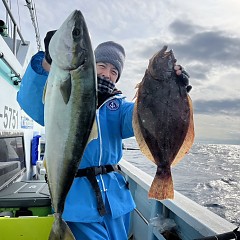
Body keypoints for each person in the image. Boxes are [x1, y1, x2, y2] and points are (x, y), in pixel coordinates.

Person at [17, 30, 191, 240]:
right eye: (102, 66)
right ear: (90, 65)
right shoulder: (66, 98)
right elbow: (31, 101)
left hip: (117, 201)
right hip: (77, 200)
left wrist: (172, 88)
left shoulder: (120, 108)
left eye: (114, 72)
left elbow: (146, 118)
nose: (107, 74)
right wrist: (48, 61)